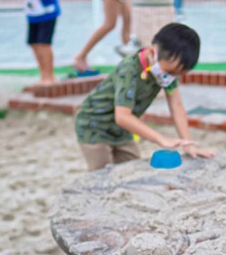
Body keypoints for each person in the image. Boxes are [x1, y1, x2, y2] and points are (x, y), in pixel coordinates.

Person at [74, 22, 214, 170]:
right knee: (102, 173)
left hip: (121, 131)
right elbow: (122, 116)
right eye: (171, 72)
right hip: (94, 126)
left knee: (132, 169)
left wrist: (189, 145)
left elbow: (176, 106)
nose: (172, 77)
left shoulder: (168, 73)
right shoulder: (129, 70)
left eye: (178, 74)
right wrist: (161, 139)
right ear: (153, 52)